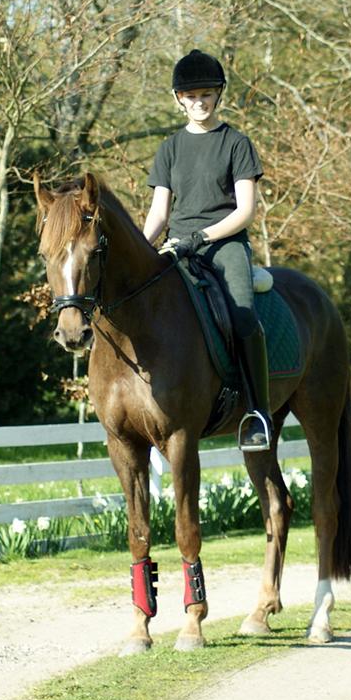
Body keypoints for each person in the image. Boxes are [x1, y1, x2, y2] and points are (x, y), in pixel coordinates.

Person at [143, 49, 272, 452]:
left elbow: (246, 210)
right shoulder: (169, 148)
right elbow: (159, 212)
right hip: (177, 246)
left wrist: (204, 237)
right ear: (178, 98)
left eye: (206, 94)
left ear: (218, 96)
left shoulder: (236, 143)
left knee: (242, 315)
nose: (199, 102)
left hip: (224, 244)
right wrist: (140, 248)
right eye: (191, 95)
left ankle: (257, 413)